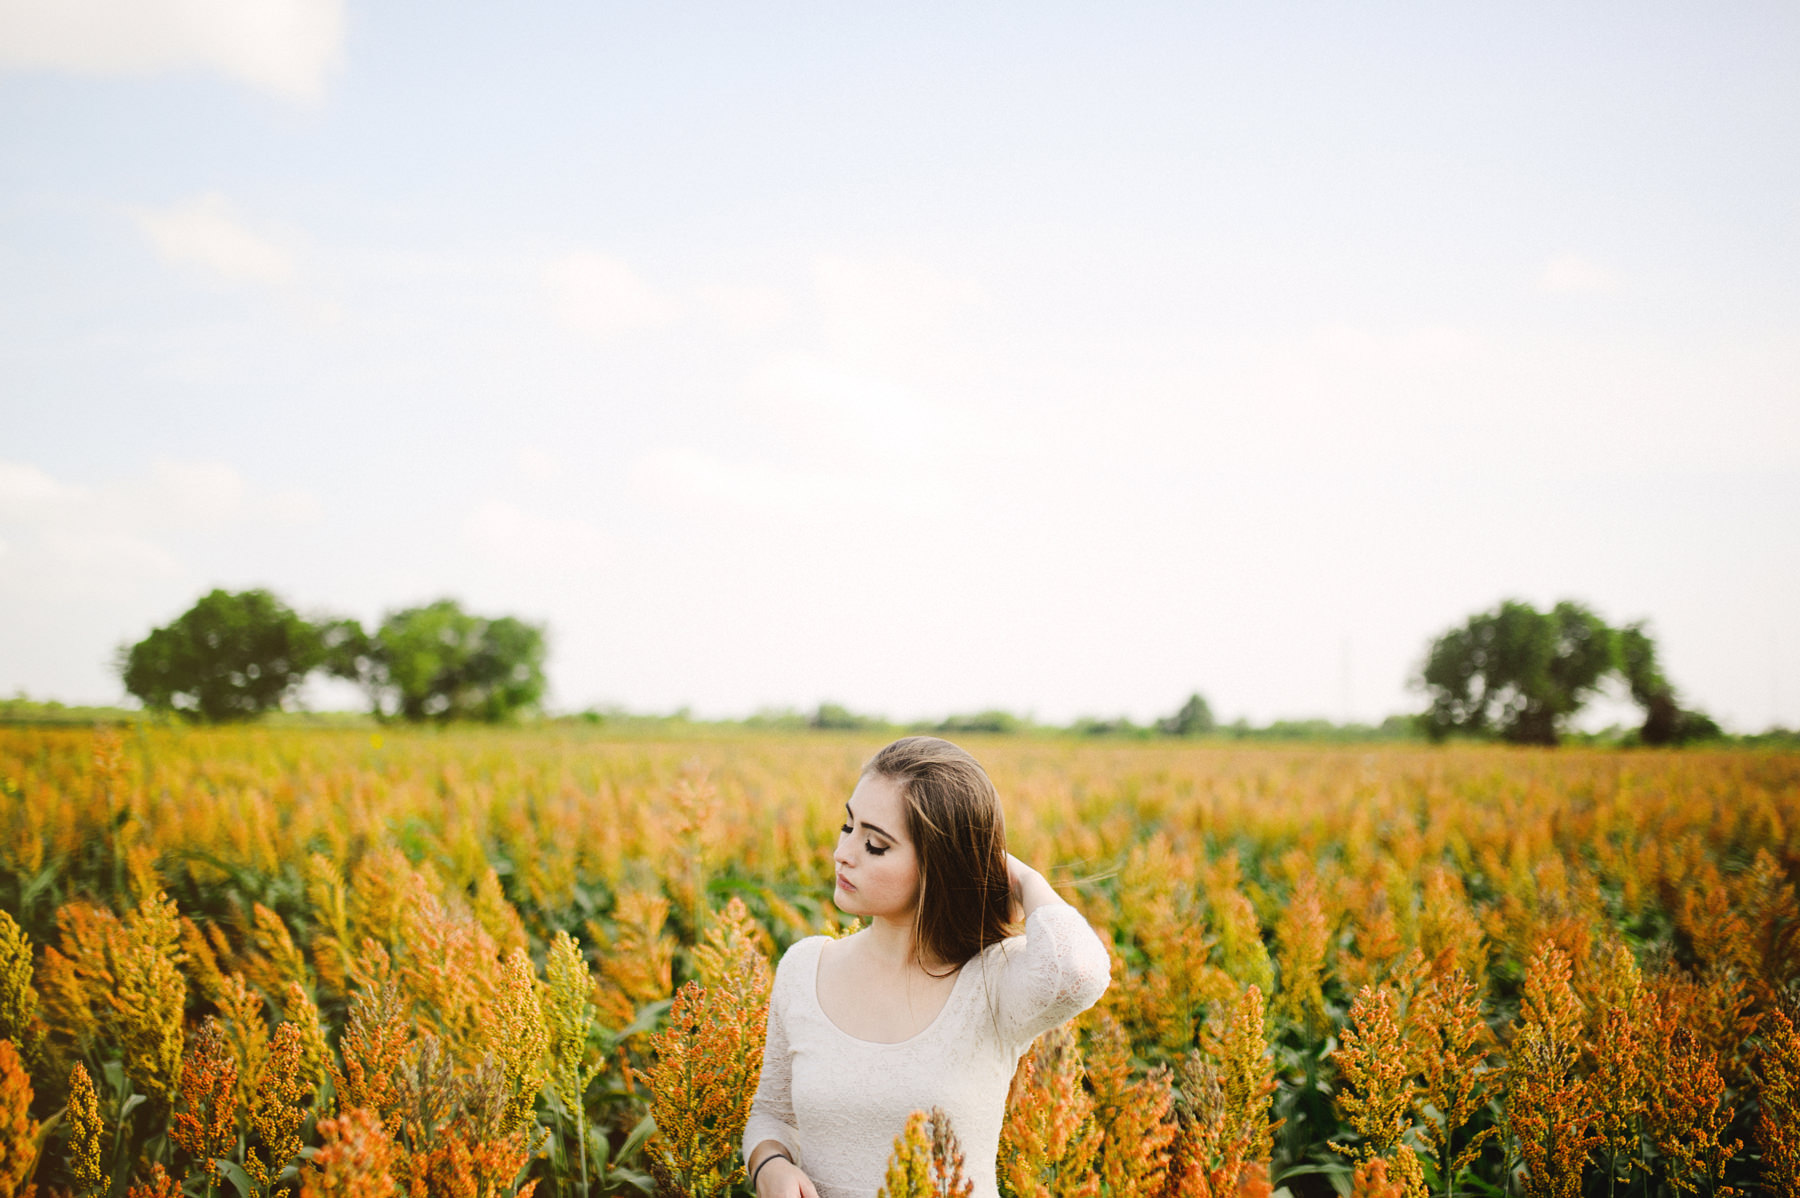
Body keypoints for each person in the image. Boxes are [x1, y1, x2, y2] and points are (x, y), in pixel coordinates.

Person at [742, 736, 1111, 1198]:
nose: (844, 852)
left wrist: (1017, 876)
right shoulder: (804, 967)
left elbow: (1078, 969)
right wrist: (770, 1165)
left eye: (875, 844)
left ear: (940, 865)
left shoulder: (994, 982)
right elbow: (772, 1114)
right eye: (848, 826)